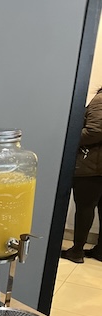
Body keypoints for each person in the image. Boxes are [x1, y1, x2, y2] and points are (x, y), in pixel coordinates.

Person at [61, 87, 102, 263]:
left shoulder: (100, 100)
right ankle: (100, 251)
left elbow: (94, 131)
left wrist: (70, 138)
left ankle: (77, 251)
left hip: (91, 166)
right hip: (98, 166)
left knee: (85, 207)